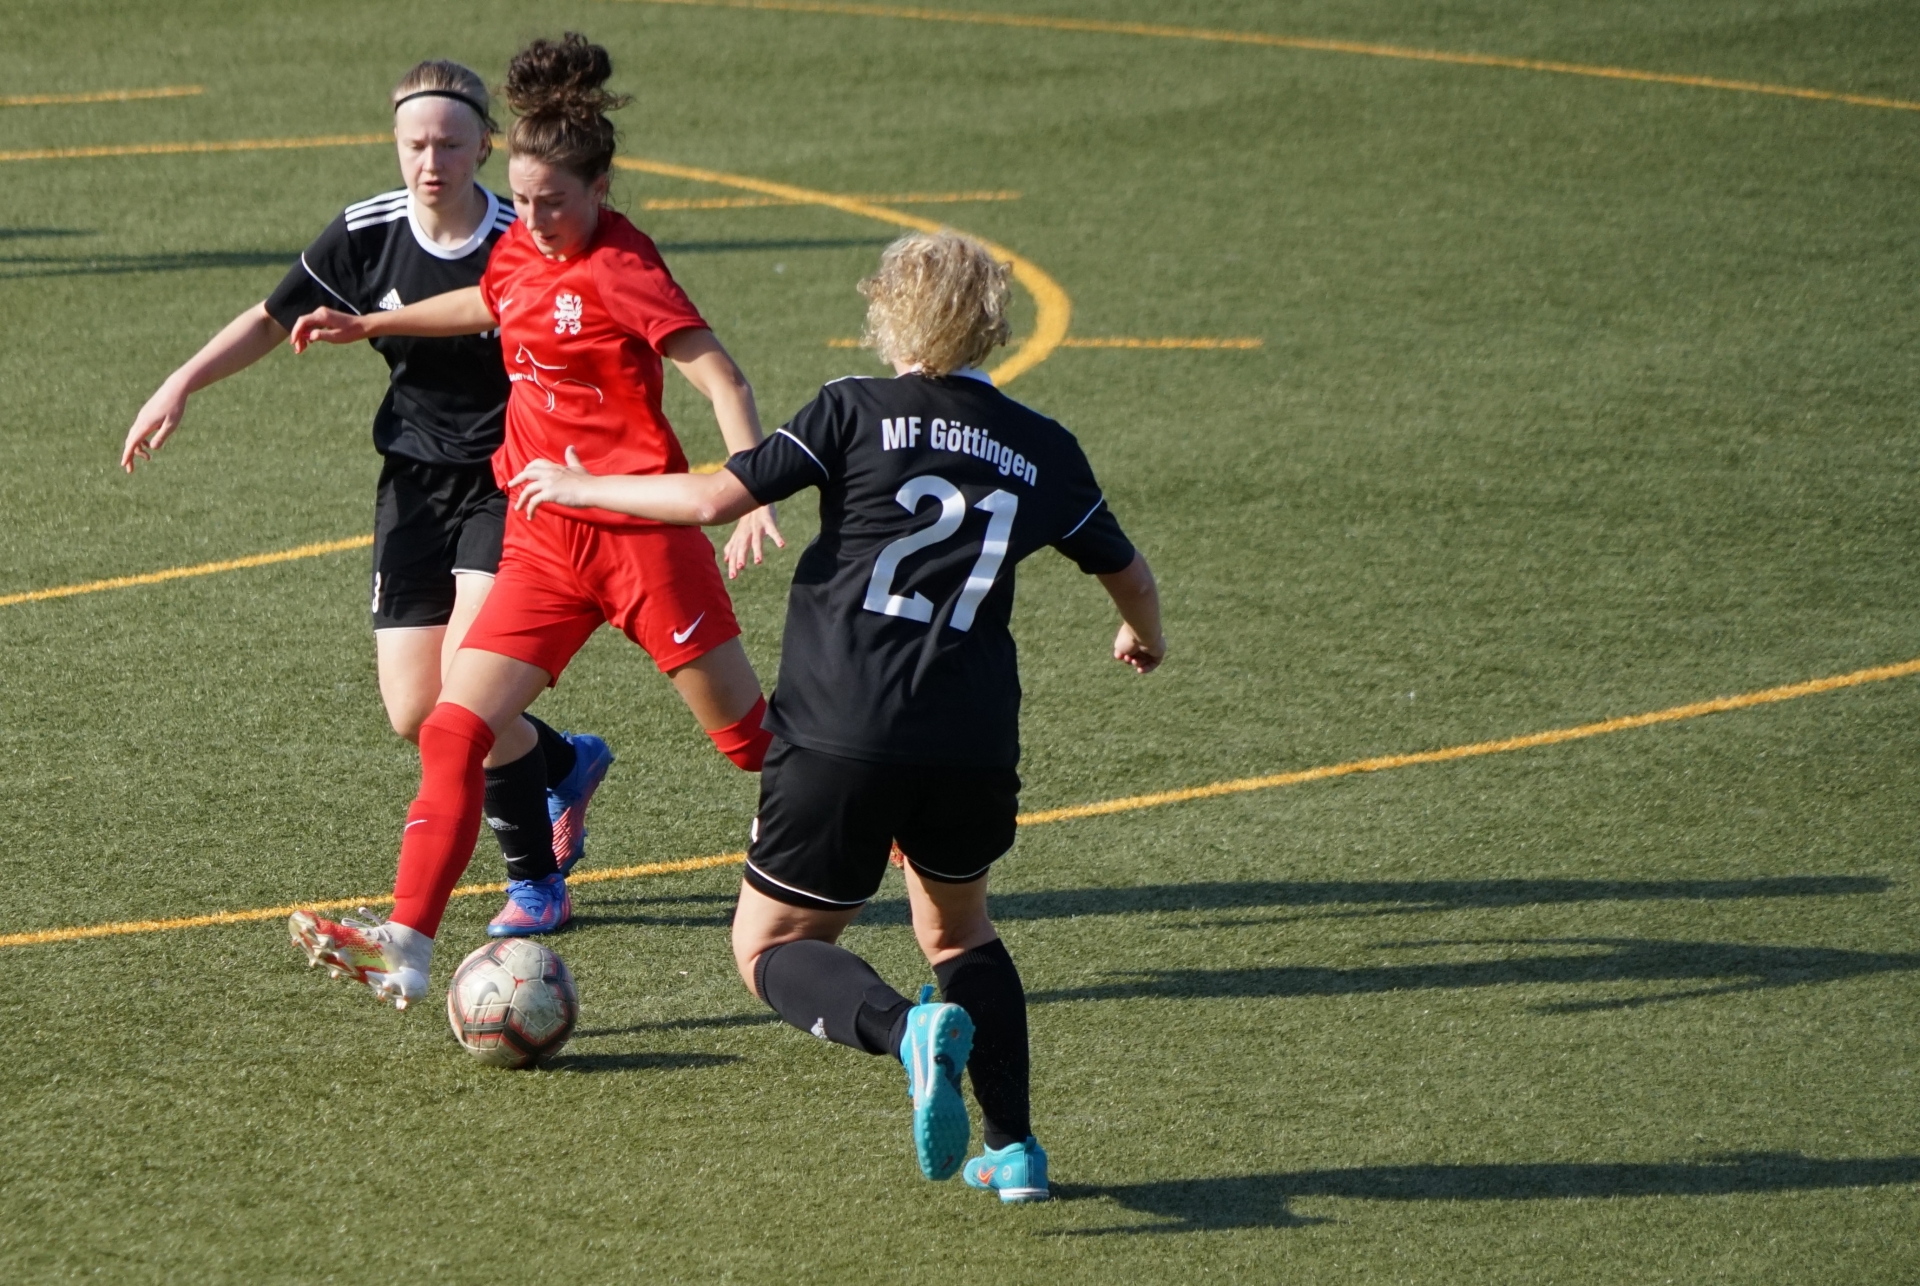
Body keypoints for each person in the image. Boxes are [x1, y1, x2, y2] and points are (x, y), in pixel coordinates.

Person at [510, 230, 1167, 1201]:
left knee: (772, 946)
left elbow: (715, 497)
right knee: (961, 933)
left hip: (840, 727)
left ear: (886, 318)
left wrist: (576, 484)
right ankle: (1017, 1149)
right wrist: (1141, 635)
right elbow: (1129, 572)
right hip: (973, 739)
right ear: (994, 328)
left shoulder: (852, 408)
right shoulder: (1044, 446)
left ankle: (908, 1031)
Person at [285, 33, 782, 1006]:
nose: (536, 219)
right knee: (452, 725)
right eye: (524, 198)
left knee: (752, 746)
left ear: (599, 186)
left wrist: (750, 488)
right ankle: (407, 943)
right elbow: (491, 296)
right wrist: (371, 322)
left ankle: (897, 817)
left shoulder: (624, 266)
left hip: (642, 541)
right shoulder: (521, 243)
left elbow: (722, 376)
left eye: (555, 201)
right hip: (546, 539)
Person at [120, 60, 613, 938]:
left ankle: (538, 884)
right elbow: (271, 317)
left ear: (484, 146)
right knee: (415, 711)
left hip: (511, 481)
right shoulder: (367, 231)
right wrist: (181, 382)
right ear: (395, 144)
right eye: (415, 144)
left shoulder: (520, 237)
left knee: (469, 691)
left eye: (450, 145)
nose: (431, 162)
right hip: (413, 484)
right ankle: (562, 762)